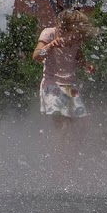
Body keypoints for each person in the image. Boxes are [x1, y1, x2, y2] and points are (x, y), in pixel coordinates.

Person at [32, 9, 97, 152]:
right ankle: (59, 162)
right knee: (63, 125)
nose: (76, 39)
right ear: (64, 28)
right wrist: (50, 46)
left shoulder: (76, 38)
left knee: (82, 125)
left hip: (71, 86)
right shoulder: (49, 33)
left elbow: (78, 57)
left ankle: (71, 155)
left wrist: (87, 66)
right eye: (74, 35)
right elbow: (36, 56)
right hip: (52, 85)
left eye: (78, 36)